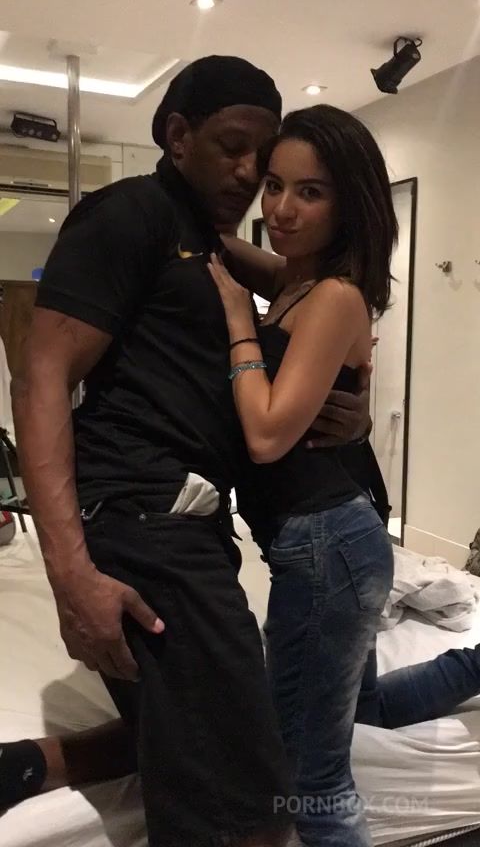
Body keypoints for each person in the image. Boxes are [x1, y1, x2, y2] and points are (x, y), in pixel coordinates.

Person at [2, 57, 371, 845]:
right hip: (150, 527)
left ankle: (37, 763)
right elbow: (39, 380)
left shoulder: (209, 244)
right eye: (232, 149)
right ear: (176, 137)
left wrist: (352, 405)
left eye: (264, 159)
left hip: (187, 527)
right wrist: (70, 574)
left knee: (209, 732)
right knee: (257, 808)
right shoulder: (131, 212)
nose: (250, 176)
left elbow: (311, 310)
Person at [205, 103, 468, 846]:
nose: (281, 210)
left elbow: (266, 435)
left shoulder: (335, 295)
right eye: (275, 185)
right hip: (335, 544)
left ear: (349, 204)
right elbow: (223, 246)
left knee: (310, 776)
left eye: (310, 192)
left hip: (326, 550)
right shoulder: (296, 282)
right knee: (363, 707)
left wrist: (237, 323)